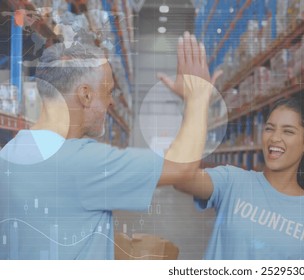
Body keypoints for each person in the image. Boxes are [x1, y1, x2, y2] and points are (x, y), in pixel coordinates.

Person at [0, 31, 218, 259]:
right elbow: (181, 168)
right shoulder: (83, 163)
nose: (112, 101)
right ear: (85, 95)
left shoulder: (10, 152)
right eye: (108, 92)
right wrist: (198, 97)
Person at [162, 71, 304, 259]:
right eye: (269, 128)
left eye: (288, 131)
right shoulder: (233, 182)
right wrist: (195, 103)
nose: (275, 138)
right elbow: (180, 178)